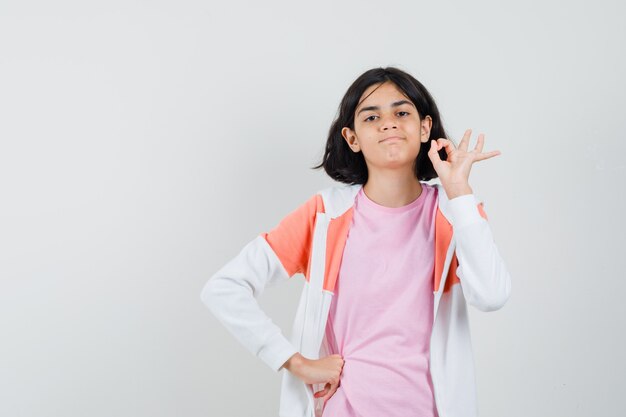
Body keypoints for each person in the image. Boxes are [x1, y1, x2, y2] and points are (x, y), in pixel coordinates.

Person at [201, 66, 512, 417]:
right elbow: (223, 288)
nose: (388, 123)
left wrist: (459, 191)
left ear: (424, 127)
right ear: (352, 138)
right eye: (371, 117)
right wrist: (294, 361)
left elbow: (491, 296)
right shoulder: (324, 215)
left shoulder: (455, 213)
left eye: (402, 112)